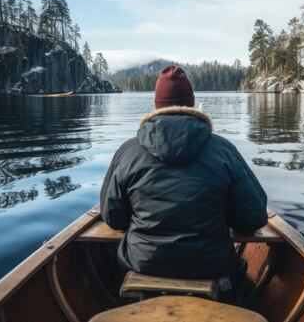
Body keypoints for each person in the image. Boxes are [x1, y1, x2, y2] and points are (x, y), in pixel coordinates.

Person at [100, 65, 267, 303]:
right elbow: (253, 218)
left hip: (139, 266)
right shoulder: (224, 151)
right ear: (192, 103)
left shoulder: (127, 152)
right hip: (213, 270)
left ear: (156, 104)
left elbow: (113, 218)